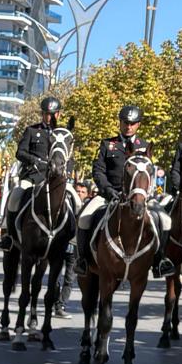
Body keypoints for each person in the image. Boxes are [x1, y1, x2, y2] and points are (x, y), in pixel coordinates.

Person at [74, 105, 170, 278]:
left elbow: (150, 173)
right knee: (84, 218)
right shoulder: (107, 144)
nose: (129, 126)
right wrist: (108, 190)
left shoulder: (145, 146)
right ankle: (83, 260)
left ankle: (160, 261)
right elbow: (98, 171)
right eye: (126, 122)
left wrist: (146, 193)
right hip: (109, 194)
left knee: (165, 219)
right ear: (120, 122)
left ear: (138, 125)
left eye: (133, 123)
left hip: (139, 196)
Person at [1, 96, 64, 248]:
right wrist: (33, 160)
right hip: (34, 176)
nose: (50, 117)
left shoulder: (63, 134)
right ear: (42, 114)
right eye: (47, 113)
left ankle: (71, 241)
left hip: (56, 180)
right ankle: (8, 234)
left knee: (76, 201)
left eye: (53, 114)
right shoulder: (32, 130)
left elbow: (70, 158)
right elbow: (20, 153)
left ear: (59, 114)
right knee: (16, 195)